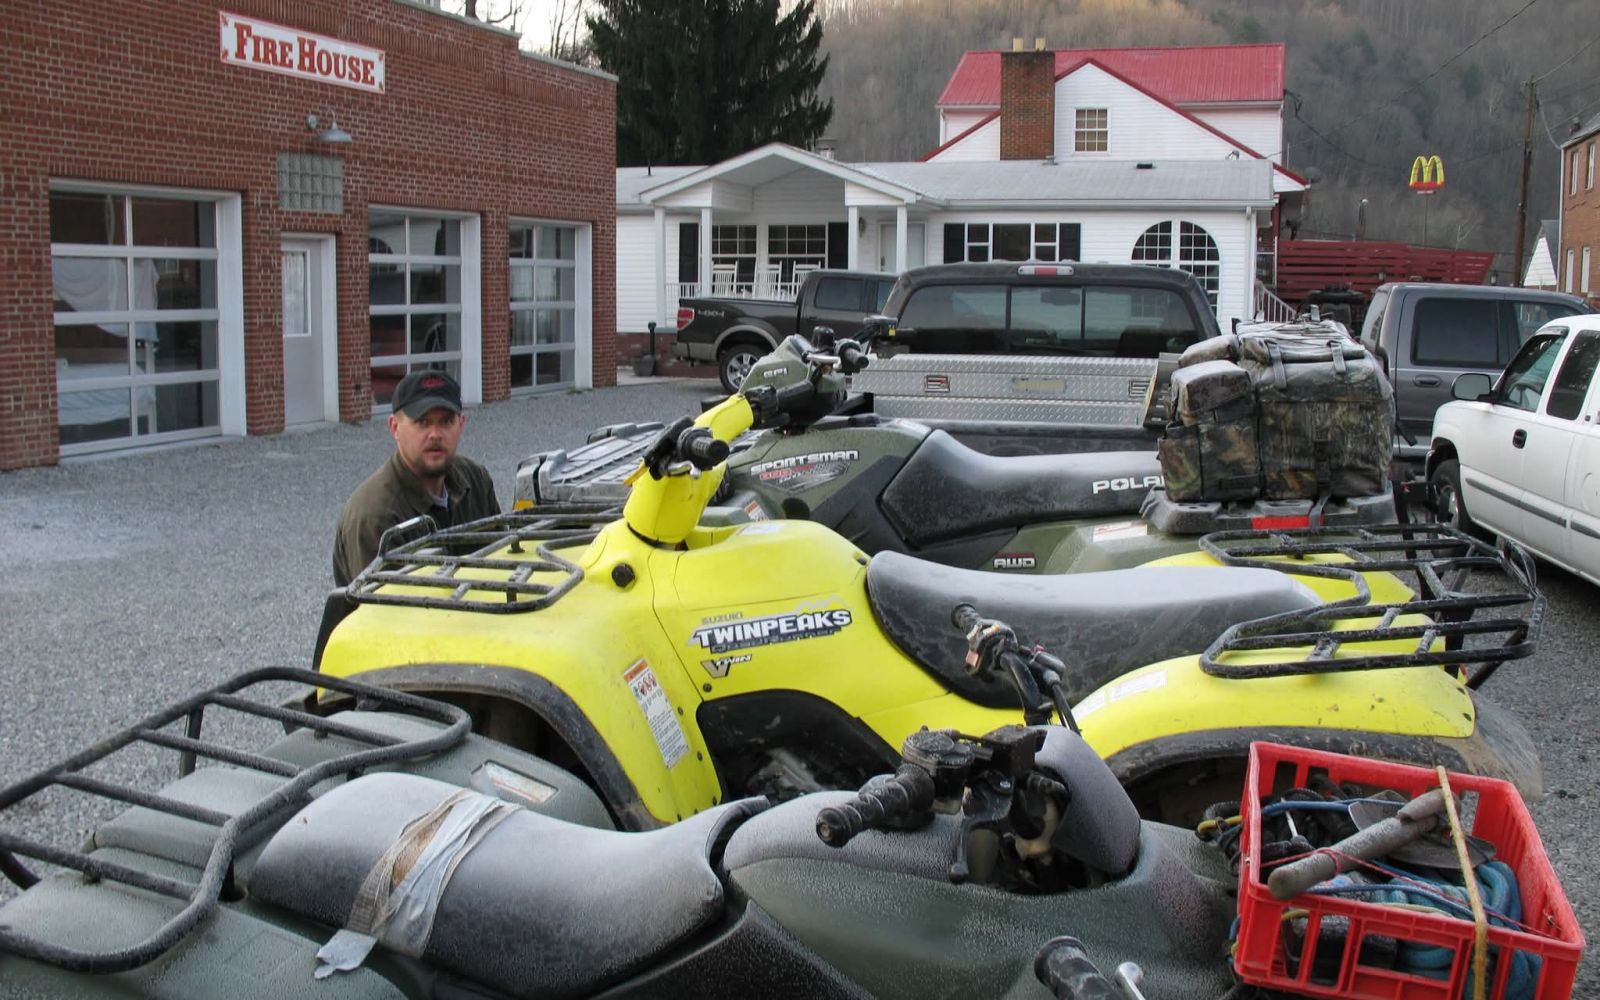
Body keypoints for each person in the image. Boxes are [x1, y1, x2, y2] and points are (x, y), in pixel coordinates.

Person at [332, 370, 499, 586]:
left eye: (446, 421)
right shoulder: (375, 515)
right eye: (422, 422)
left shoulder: (476, 481)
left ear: (461, 424)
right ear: (395, 427)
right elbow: (382, 604)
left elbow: (503, 563)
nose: (435, 434)